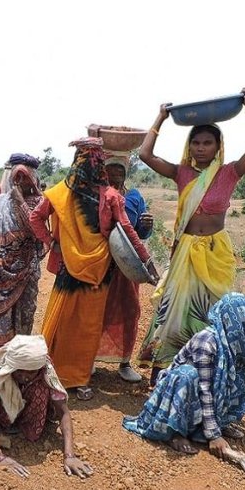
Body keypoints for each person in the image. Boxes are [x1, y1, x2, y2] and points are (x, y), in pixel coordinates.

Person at [137, 88, 245, 383]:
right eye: (195, 142)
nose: (200, 148)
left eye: (207, 142)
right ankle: (161, 375)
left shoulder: (230, 173)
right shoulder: (180, 173)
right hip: (185, 252)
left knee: (207, 315)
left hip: (214, 255)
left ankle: (201, 374)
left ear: (217, 145)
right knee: (173, 311)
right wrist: (161, 116)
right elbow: (144, 154)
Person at [29, 137, 158, 401]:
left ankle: (59, 375)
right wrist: (147, 262)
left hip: (80, 270)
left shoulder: (60, 193)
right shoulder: (106, 196)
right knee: (84, 325)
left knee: (67, 322)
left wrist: (51, 242)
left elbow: (35, 218)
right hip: (97, 271)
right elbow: (128, 232)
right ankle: (74, 378)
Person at [123, 293, 245, 456]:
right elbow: (205, 389)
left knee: (242, 375)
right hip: (183, 399)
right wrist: (214, 436)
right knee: (187, 375)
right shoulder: (207, 340)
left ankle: (218, 422)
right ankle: (175, 432)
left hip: (203, 408)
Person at [0, 334, 93, 478]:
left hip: (27, 409)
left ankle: (26, 428)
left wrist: (69, 455)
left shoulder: (45, 370)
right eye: (20, 371)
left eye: (31, 372)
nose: (25, 376)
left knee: (40, 387)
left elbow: (63, 412)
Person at [94, 155, 155, 382]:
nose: (116, 178)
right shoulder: (97, 196)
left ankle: (124, 362)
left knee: (129, 310)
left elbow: (137, 233)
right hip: (100, 264)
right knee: (97, 310)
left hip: (126, 267)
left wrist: (146, 226)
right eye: (111, 173)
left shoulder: (134, 197)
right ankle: (89, 358)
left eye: (120, 173)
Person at [0, 155, 45, 354]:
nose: (21, 182)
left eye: (25, 177)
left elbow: (36, 230)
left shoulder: (39, 201)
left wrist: (19, 201)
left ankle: (20, 355)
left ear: (33, 179)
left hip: (25, 267)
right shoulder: (2, 200)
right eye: (17, 177)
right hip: (0, 267)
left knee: (25, 310)